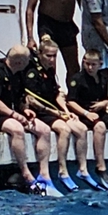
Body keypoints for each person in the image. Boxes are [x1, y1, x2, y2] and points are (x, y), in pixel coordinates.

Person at [0, 44, 55, 192]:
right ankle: (25, 172)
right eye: (27, 61)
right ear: (20, 62)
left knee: (44, 130)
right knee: (17, 129)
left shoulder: (18, 74)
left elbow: (18, 97)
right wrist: (14, 115)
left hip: (9, 112)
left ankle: (44, 174)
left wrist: (25, 110)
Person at [25, 36, 89, 185]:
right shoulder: (32, 72)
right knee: (64, 129)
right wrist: (58, 113)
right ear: (40, 54)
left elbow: (56, 94)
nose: (52, 59)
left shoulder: (50, 71)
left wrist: (66, 110)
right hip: (39, 112)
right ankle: (62, 169)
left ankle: (82, 169)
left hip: (53, 110)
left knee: (81, 128)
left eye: (54, 56)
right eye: (49, 56)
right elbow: (32, 100)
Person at [65, 47, 108, 182]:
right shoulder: (77, 79)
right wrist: (86, 113)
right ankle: (100, 166)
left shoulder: (103, 77)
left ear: (100, 64)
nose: (90, 68)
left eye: (93, 65)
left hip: (100, 111)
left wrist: (104, 103)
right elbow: (70, 102)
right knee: (100, 127)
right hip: (84, 113)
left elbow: (106, 98)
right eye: (87, 64)